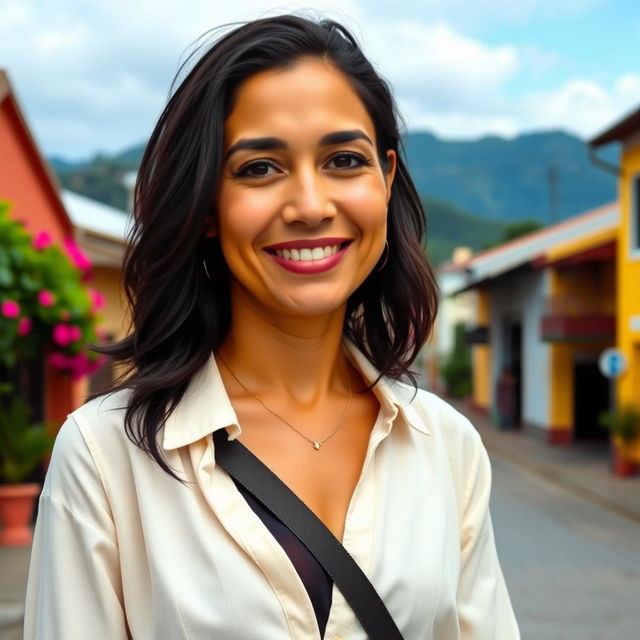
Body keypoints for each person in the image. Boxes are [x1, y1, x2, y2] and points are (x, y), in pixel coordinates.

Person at [24, 14, 520, 640]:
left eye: (344, 160)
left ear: (386, 179)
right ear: (207, 205)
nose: (311, 205)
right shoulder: (105, 455)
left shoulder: (447, 448)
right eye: (259, 168)